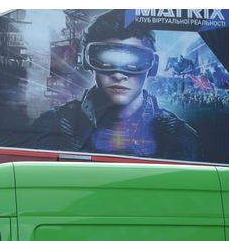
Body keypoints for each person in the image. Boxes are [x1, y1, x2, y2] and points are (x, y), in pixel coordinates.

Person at [27, 10, 199, 161]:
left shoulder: (178, 135)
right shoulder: (52, 125)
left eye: (134, 61)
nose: (118, 75)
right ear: (87, 61)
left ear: (152, 66)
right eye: (106, 59)